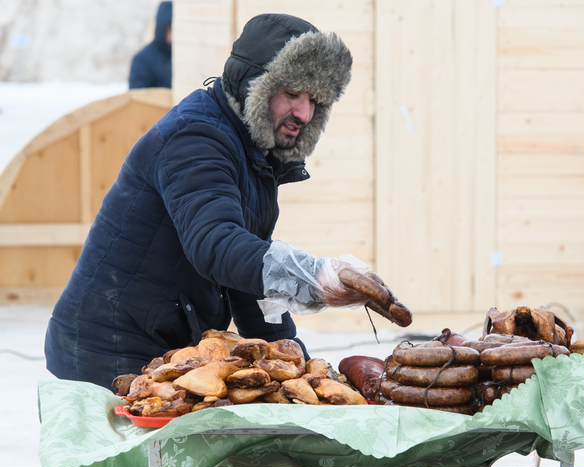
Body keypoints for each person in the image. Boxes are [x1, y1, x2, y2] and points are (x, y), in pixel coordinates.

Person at [45, 13, 362, 389]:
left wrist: (299, 366)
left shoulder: (255, 153)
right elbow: (216, 244)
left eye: (315, 100)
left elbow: (247, 283)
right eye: (292, 94)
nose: (304, 113)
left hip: (165, 345)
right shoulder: (196, 137)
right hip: (105, 349)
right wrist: (311, 275)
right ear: (253, 85)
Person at [128, 1, 172, 89]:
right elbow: (137, 96)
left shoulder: (182, 57)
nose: (173, 35)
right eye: (170, 29)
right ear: (162, 28)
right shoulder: (142, 59)